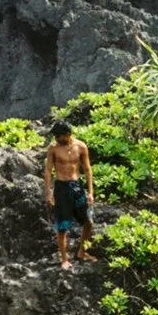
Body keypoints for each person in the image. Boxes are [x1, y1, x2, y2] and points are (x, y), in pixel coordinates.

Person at [44, 117, 97, 273]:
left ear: (67, 134)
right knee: (62, 226)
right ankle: (65, 259)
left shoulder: (81, 147)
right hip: (61, 188)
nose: (56, 139)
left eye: (58, 136)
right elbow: (48, 171)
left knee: (88, 222)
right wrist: (48, 193)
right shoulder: (53, 148)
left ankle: (82, 251)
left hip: (77, 188)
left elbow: (87, 170)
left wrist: (90, 192)